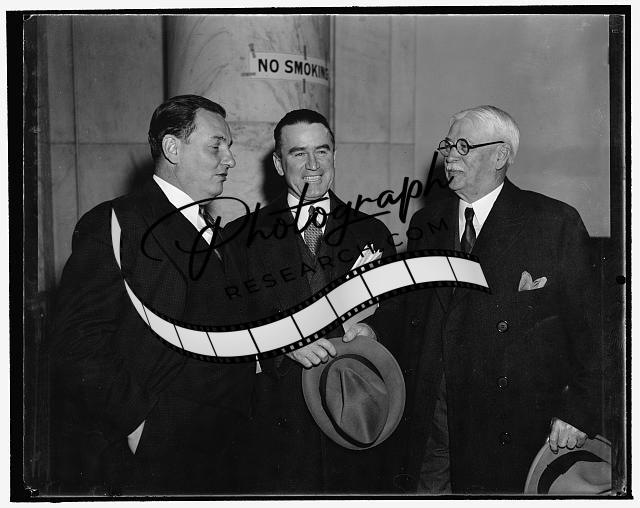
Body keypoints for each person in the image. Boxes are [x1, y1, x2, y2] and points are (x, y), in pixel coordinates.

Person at [369, 105, 602, 494]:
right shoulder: (427, 224)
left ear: (500, 155)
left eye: (463, 146)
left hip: (513, 426)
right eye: (447, 145)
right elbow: (408, 310)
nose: (449, 156)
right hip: (434, 423)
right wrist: (371, 330)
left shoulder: (553, 223)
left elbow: (595, 332)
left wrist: (579, 411)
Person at [48, 95, 254, 495]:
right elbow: (76, 344)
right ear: (172, 148)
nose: (230, 159)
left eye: (229, 147)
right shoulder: (115, 222)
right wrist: (138, 425)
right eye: (216, 146)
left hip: (223, 449)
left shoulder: (216, 233)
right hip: (155, 456)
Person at [225, 109, 396, 493]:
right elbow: (228, 327)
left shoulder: (372, 231)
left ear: (335, 154)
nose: (313, 165)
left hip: (353, 418)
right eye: (298, 153)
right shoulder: (240, 238)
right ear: (278, 163)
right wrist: (279, 344)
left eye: (322, 151)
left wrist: (372, 331)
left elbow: (400, 314)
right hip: (276, 426)